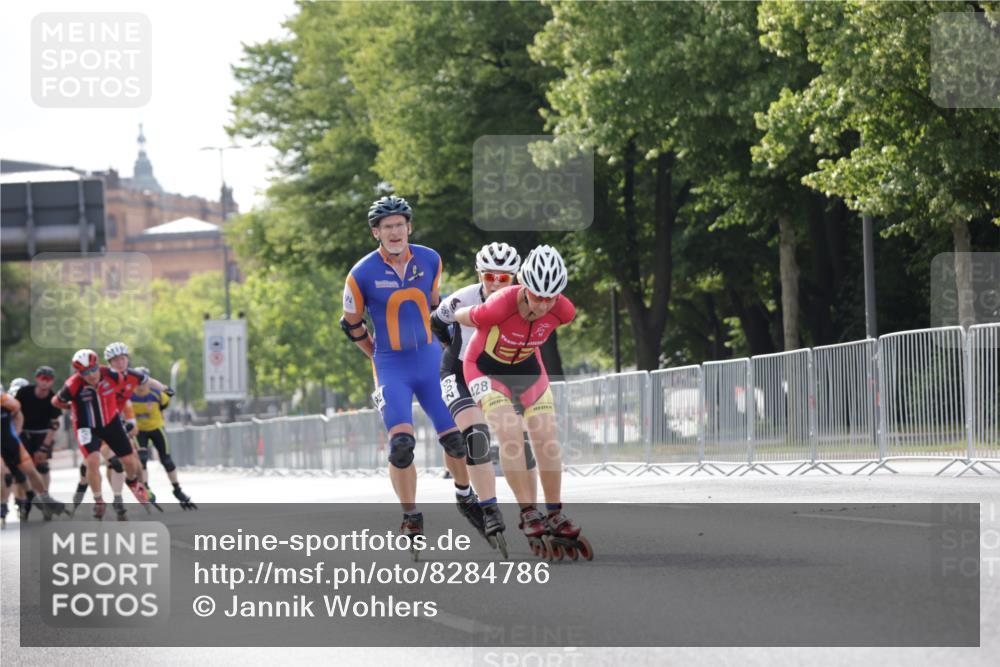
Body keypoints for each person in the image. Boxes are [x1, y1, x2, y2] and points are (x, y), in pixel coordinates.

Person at [341, 195, 473, 548]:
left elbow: (436, 310)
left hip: (430, 361)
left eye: (400, 224)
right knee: (401, 446)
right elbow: (351, 325)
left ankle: (465, 494)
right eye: (387, 226)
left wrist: (451, 354)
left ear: (409, 227)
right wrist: (376, 355)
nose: (394, 231)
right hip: (391, 367)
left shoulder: (430, 259)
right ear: (376, 232)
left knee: (455, 441)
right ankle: (411, 515)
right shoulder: (360, 274)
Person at [454, 245, 592, 560]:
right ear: (524, 286)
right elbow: (464, 315)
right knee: (511, 433)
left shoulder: (565, 311)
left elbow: (551, 311)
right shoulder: (500, 304)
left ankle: (555, 513)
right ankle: (528, 511)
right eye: (537, 296)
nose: (543, 305)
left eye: (550, 298)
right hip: (485, 369)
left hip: (529, 371)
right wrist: (443, 316)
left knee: (547, 439)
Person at [431, 242, 540, 545]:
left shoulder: (526, 304)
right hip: (458, 372)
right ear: (479, 273)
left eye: (503, 278)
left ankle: (531, 511)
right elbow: (436, 322)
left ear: (515, 278)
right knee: (476, 436)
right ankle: (489, 509)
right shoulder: (461, 299)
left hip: (497, 375)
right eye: (489, 276)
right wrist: (450, 346)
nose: (495, 284)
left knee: (520, 442)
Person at [52, 349, 149, 520]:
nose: (91, 375)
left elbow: (132, 382)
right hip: (86, 426)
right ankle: (99, 500)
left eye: (93, 369)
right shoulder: (72, 385)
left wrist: (160, 387)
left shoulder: (112, 374)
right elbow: (56, 401)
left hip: (110, 422)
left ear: (98, 365)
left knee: (129, 460)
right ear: (78, 373)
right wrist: (71, 407)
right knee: (92, 461)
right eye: (85, 372)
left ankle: (132, 481)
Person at [1, 383, 66, 522]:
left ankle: (43, 498)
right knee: (5, 474)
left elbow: (18, 415)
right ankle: (7, 503)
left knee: (32, 470)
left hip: (14, 442)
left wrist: (16, 433)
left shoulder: (8, 402)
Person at [131, 370, 196, 509]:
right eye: (137, 383)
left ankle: (177, 490)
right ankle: (146, 488)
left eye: (144, 383)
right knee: (142, 459)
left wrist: (166, 389)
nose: (141, 386)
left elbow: (168, 398)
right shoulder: (130, 396)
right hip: (139, 431)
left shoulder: (156, 394)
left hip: (157, 429)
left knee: (166, 460)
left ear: (149, 383)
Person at [12, 367, 63, 518]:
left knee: (42, 467)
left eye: (48, 379)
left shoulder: (53, 398)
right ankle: (21, 502)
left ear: (52, 382)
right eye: (42, 378)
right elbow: (15, 413)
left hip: (43, 434)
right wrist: (15, 435)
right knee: (22, 469)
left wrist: (44, 447)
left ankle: (45, 499)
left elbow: (54, 425)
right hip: (24, 432)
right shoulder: (24, 392)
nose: (45, 382)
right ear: (36, 379)